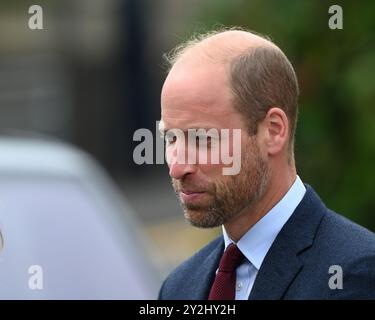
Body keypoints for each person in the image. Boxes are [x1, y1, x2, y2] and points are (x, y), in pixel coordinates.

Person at [158, 28, 375, 300]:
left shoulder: (353, 275)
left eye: (203, 139)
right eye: (170, 138)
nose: (178, 167)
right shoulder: (179, 288)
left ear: (273, 131)